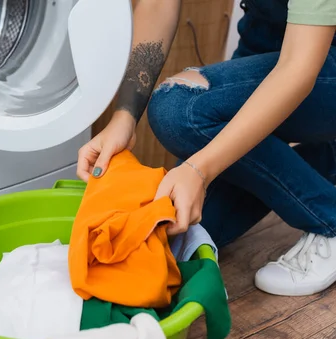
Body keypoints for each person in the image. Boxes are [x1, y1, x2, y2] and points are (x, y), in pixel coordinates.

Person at [76, 0, 336, 297]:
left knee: (178, 110)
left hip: (318, 60)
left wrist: (200, 169)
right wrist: (124, 116)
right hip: (265, 43)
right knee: (178, 235)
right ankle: (329, 157)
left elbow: (297, 69)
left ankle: (330, 221)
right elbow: (158, 4)